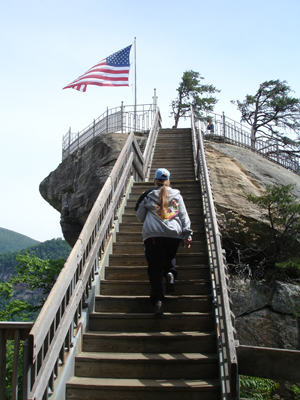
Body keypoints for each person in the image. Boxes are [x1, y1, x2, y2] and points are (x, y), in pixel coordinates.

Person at [135, 168, 193, 315]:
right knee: (170, 257)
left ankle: (158, 301)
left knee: (154, 269)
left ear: (155, 180)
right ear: (168, 181)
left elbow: (140, 217)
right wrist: (187, 234)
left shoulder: (147, 195)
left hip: (153, 236)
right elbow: (184, 215)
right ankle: (169, 273)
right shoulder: (177, 195)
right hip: (174, 234)